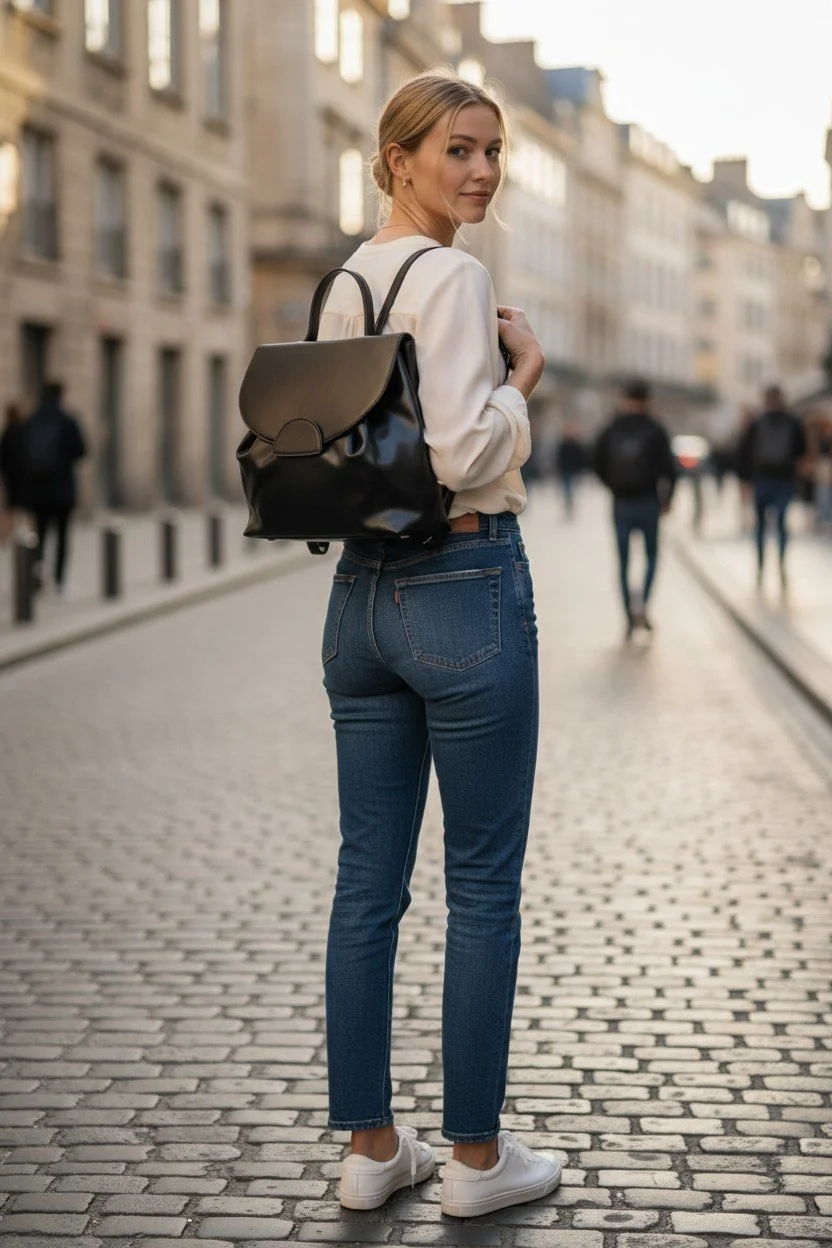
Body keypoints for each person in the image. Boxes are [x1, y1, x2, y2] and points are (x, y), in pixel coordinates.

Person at [317, 71, 562, 1219]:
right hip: (461, 583)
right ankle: (473, 1162)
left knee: (366, 882)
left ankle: (373, 1148)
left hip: (358, 601)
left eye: (492, 153)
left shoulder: (344, 280)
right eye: (456, 149)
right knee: (480, 887)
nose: (479, 172)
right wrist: (523, 383)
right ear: (399, 156)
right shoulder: (456, 276)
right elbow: (465, 451)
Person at [593, 378, 678, 637]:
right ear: (647, 400)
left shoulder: (612, 428)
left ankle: (628, 613)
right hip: (649, 502)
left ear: (625, 399)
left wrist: (613, 486)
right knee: (652, 556)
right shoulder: (656, 429)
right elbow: (670, 469)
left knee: (623, 561)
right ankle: (643, 603)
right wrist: (668, 499)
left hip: (621, 503)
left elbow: (596, 462)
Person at [17, 381, 86, 595]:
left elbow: (21, 453)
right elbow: (81, 451)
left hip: (37, 490)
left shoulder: (31, 420)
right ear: (61, 394)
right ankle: (59, 580)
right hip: (62, 488)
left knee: (39, 533)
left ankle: (36, 573)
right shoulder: (67, 420)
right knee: (63, 535)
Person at [736, 384, 806, 589]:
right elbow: (801, 453)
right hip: (784, 480)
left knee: (760, 526)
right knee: (782, 524)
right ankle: (781, 563)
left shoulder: (757, 423)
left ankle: (761, 565)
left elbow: (744, 454)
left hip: (762, 480)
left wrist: (745, 481)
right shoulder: (793, 422)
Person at [0, 402, 27, 542]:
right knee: (21, 507)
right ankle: (22, 535)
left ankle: (7, 535)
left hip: (10, 477)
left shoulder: (7, 433)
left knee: (10, 508)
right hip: (23, 476)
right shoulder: (23, 432)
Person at [554, 422, 586, 519]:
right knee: (567, 489)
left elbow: (580, 458)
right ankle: (568, 506)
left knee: (571, 489)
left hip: (573, 470)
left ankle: (570, 506)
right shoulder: (563, 445)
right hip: (565, 470)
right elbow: (559, 458)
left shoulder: (576, 445)